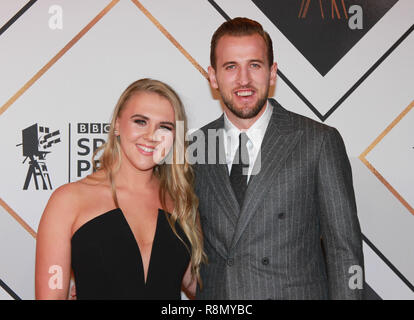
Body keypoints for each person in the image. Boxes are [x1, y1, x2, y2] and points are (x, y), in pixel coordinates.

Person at [192, 17, 364, 299]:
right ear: (213, 76)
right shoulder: (195, 147)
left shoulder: (317, 141)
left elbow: (345, 252)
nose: (244, 79)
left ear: (272, 73)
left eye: (255, 65)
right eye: (231, 67)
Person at [35, 79, 205, 299]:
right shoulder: (69, 201)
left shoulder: (181, 203)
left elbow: (203, 287)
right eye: (140, 121)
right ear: (117, 124)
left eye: (165, 127)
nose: (151, 136)